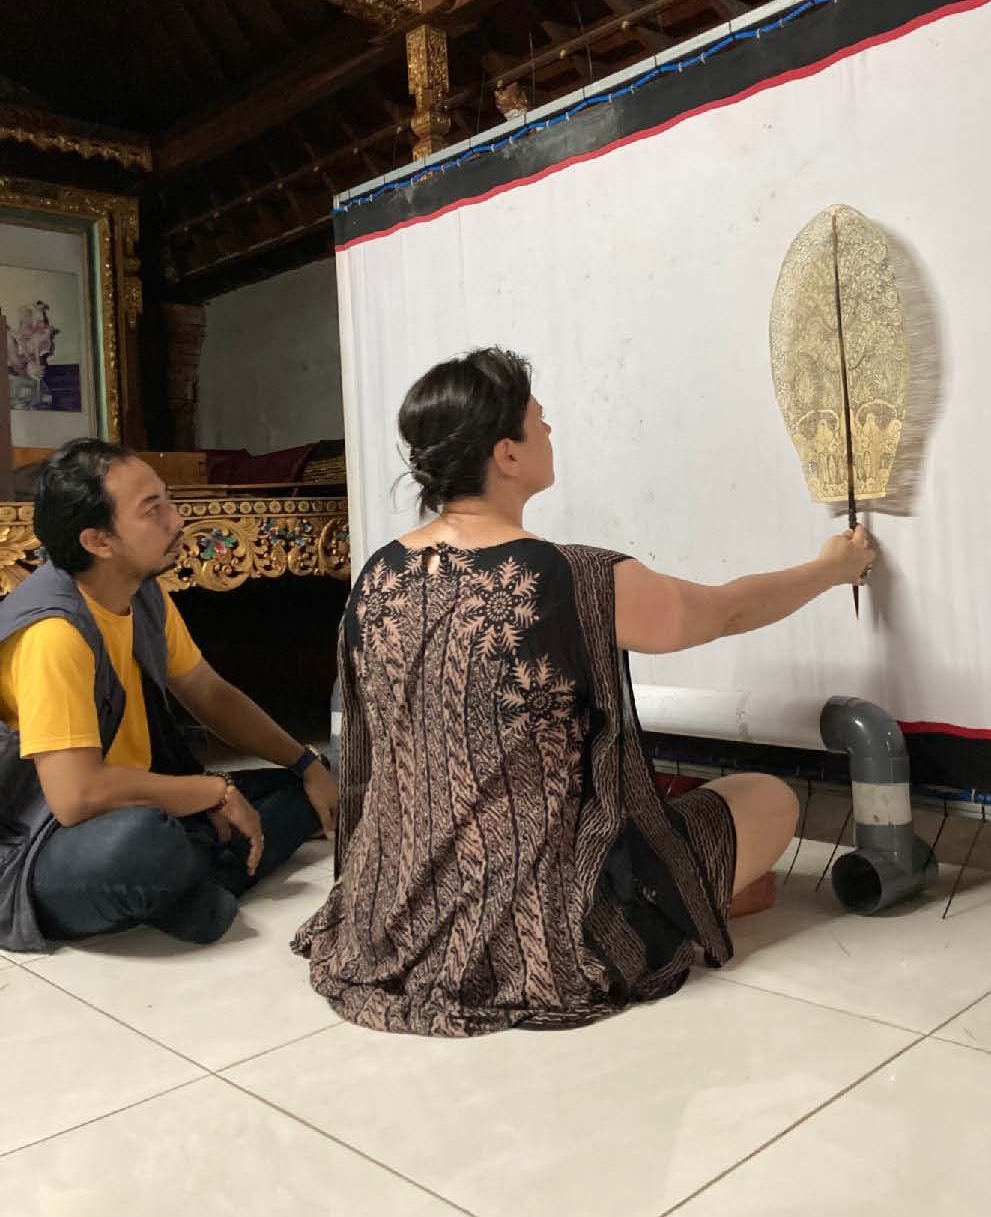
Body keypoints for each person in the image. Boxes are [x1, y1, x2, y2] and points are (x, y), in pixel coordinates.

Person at [294, 348, 875, 1037]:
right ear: (506, 454)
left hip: (392, 904)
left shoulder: (377, 577)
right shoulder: (573, 579)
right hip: (552, 921)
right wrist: (829, 568)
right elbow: (725, 611)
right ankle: (703, 896)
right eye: (540, 422)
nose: (550, 432)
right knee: (770, 797)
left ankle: (717, 888)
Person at [0, 439, 339, 953]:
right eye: (151, 509)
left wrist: (307, 764)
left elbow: (208, 692)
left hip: (142, 797)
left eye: (167, 499)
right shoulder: (54, 634)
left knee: (309, 785)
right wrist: (213, 793)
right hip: (41, 840)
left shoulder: (142, 591)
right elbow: (76, 798)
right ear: (98, 540)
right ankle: (195, 873)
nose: (176, 519)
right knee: (140, 846)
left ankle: (191, 881)